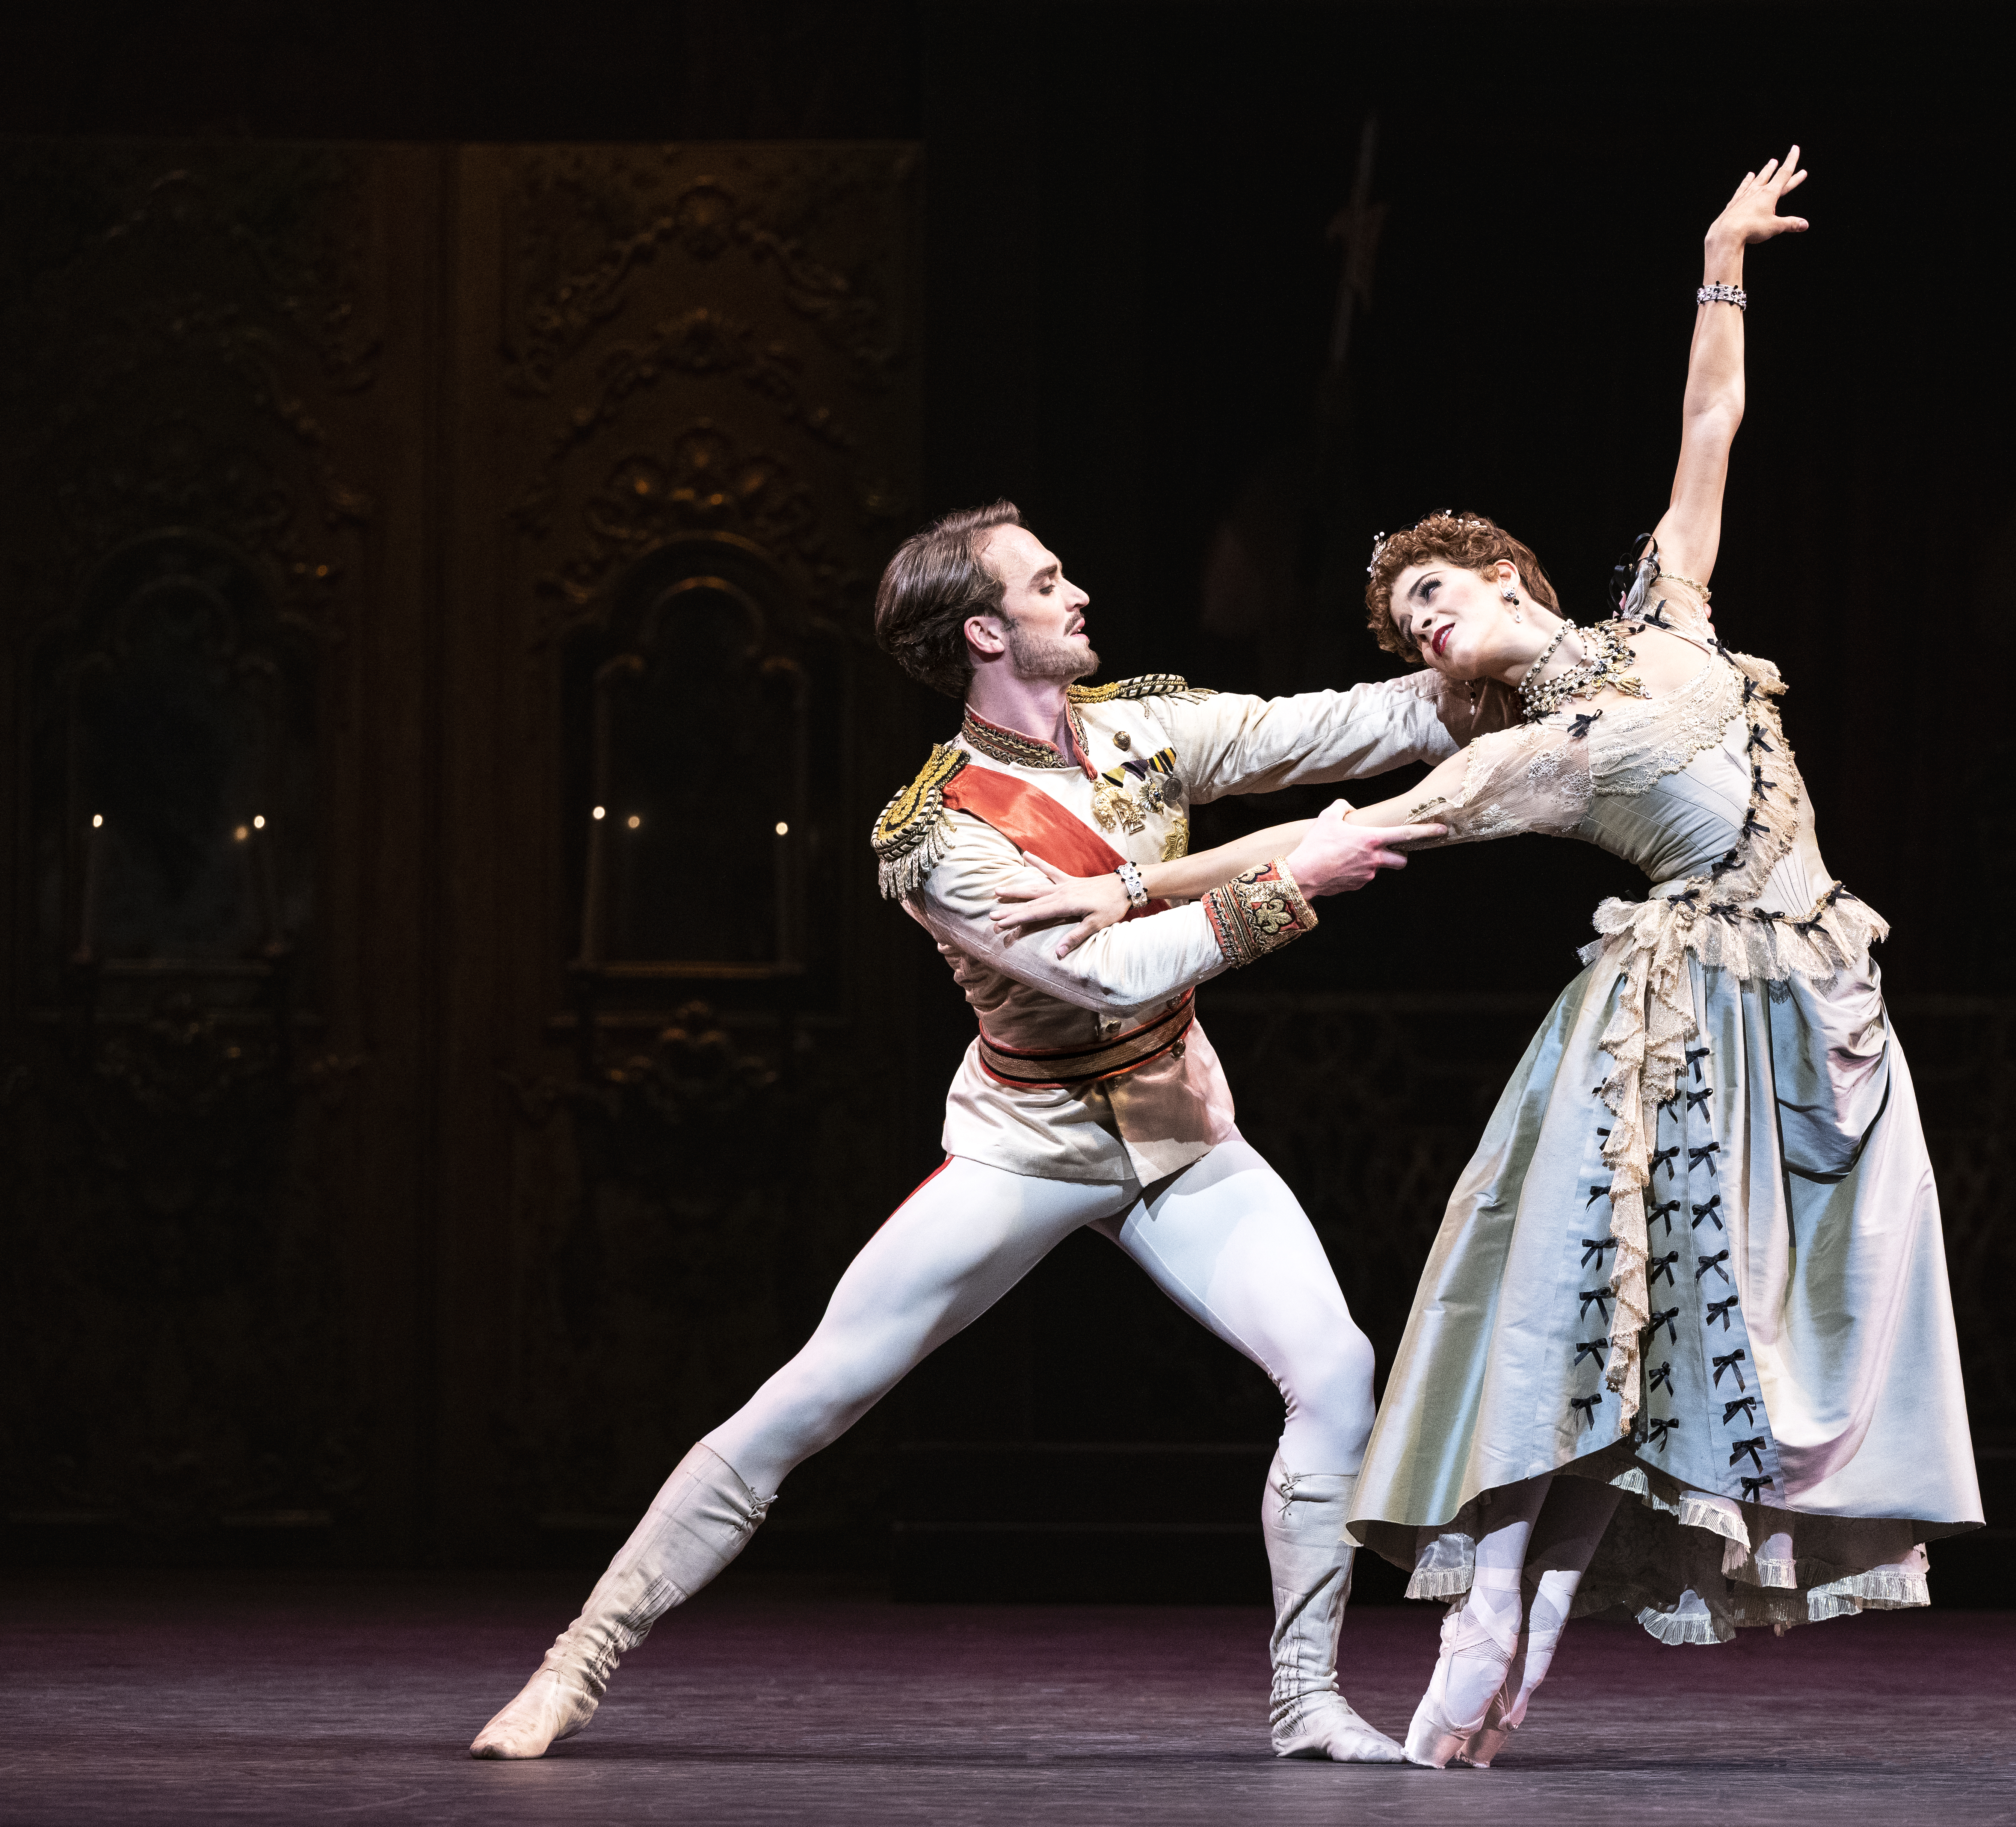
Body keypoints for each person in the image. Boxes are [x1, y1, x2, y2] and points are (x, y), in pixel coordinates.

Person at [995, 148, 1984, 1768]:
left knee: (1692, 1354)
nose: (1426, 623)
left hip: (1815, 1013)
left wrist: (1723, 256)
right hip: (1672, 1026)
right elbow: (1328, 828)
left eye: (1439, 592)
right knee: (1598, 1330)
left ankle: (1521, 1610)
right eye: (1406, 620)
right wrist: (1122, 895)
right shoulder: (1525, 758)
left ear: (1515, 576)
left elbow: (1711, 426)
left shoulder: (1671, 618)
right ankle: (1495, 1606)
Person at [469, 502, 1462, 1765]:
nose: (1078, 593)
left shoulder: (1142, 729)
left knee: (1334, 1369)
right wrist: (1287, 886)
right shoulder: (937, 833)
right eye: (1047, 583)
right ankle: (576, 1664)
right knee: (809, 1400)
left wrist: (1517, 665)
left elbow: (1349, 723)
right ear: (987, 630)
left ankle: (1307, 1698)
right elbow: (1103, 975)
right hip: (1028, 1145)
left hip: (1177, 1125)